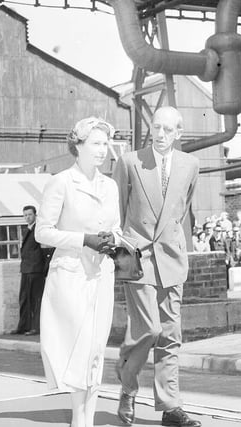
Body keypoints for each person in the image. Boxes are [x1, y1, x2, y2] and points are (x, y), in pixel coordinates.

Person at [112, 106, 201, 427]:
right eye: (156, 128)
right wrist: (120, 258)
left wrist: (179, 247)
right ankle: (127, 382)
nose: (160, 135)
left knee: (170, 335)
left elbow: (181, 211)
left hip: (171, 258)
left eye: (168, 130)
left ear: (179, 133)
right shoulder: (129, 162)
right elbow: (116, 214)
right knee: (148, 328)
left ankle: (170, 407)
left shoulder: (191, 165)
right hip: (136, 258)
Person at [35, 117, 120, 427]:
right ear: (78, 146)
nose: (103, 150)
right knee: (80, 347)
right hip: (71, 274)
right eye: (96, 143)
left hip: (101, 274)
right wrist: (83, 240)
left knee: (97, 348)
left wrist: (114, 239)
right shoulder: (61, 182)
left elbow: (116, 226)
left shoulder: (109, 186)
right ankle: (78, 418)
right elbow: (42, 233)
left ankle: (89, 418)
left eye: (106, 144)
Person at [12, 205, 49, 336]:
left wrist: (44, 270)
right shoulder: (27, 230)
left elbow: (46, 251)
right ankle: (23, 326)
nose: (27, 217)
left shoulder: (39, 229)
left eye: (30, 214)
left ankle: (35, 328)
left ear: (35, 215)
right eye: (25, 215)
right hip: (26, 269)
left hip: (36, 270)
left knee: (36, 300)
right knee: (24, 299)